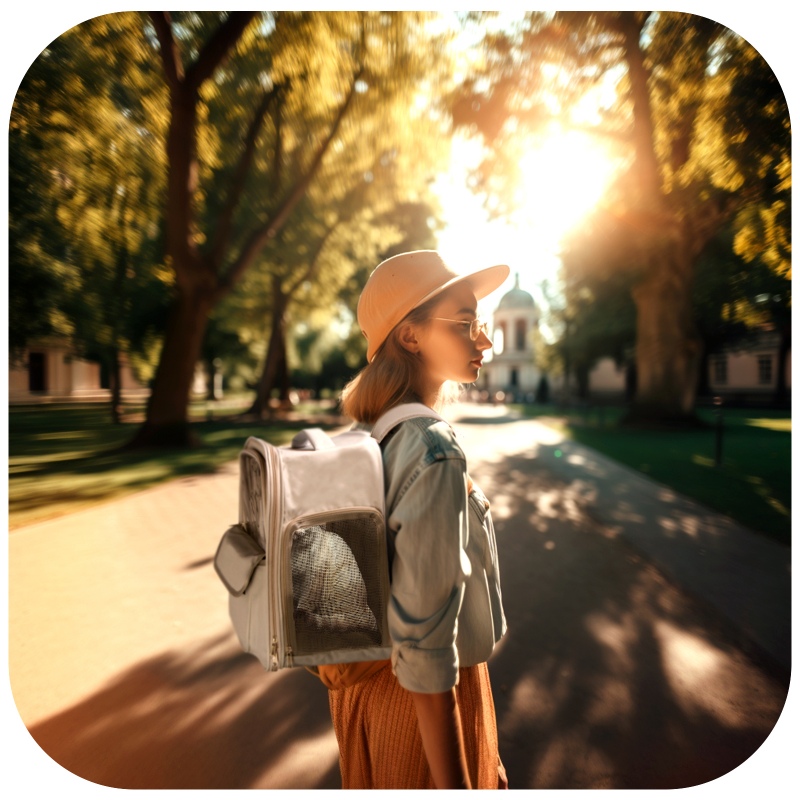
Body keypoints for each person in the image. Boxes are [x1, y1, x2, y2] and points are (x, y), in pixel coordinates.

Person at [328, 250, 510, 789]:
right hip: (426, 716)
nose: (485, 340)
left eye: (480, 323)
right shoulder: (432, 449)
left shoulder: (374, 438)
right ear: (410, 337)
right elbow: (428, 653)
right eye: (465, 323)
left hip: (367, 704)